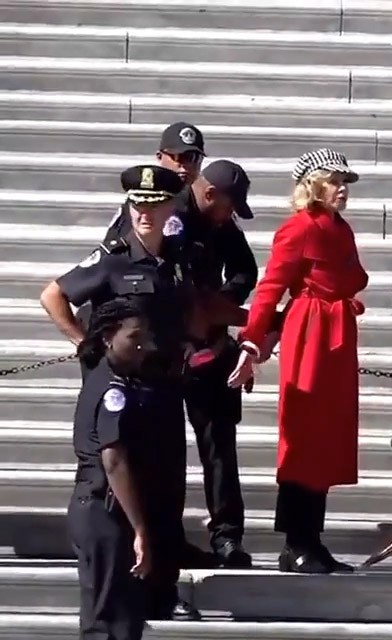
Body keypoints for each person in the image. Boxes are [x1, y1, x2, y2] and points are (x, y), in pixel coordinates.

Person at [40, 165, 200, 621]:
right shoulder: (112, 257)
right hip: (120, 392)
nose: (144, 214)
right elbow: (53, 295)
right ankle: (121, 590)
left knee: (165, 488)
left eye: (152, 205)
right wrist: (82, 342)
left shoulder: (176, 260)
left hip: (164, 391)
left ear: (170, 207)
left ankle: (157, 588)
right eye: (137, 205)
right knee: (117, 482)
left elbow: (182, 313)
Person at [104, 124, 258, 568]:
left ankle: (227, 536)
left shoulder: (220, 220)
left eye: (194, 158)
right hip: (164, 353)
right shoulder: (159, 211)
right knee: (164, 453)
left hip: (209, 346)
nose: (187, 166)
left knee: (219, 445)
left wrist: (221, 305)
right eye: (181, 158)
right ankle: (164, 540)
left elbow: (245, 271)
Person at [228, 148, 369, 573]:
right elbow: (270, 288)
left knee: (326, 437)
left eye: (345, 182)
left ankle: (310, 538)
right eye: (335, 181)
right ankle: (297, 540)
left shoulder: (338, 228)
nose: (343, 189)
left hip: (335, 333)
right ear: (313, 186)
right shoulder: (299, 228)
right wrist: (252, 342)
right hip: (310, 332)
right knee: (306, 435)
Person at [69, 298, 155, 640]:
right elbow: (114, 458)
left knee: (122, 617)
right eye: (134, 337)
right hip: (102, 511)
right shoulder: (112, 391)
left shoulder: (114, 379)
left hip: (99, 510)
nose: (142, 346)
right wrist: (140, 529)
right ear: (108, 337)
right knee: (106, 622)